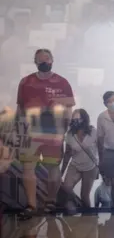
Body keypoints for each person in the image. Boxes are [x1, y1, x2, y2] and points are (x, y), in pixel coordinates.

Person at [16, 49, 75, 219]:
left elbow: (70, 105)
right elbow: (20, 107)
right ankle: (31, 205)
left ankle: (50, 201)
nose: (44, 61)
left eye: (47, 59)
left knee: (53, 167)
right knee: (28, 167)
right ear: (35, 61)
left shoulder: (62, 82)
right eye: (40, 59)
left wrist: (65, 128)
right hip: (30, 131)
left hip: (53, 132)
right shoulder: (26, 82)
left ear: (52, 60)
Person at [60, 109, 99, 212]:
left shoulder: (93, 131)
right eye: (73, 119)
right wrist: (61, 172)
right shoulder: (69, 135)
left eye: (77, 119)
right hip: (75, 165)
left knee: (84, 195)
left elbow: (99, 148)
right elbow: (67, 154)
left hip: (90, 166)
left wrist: (101, 167)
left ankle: (89, 217)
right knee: (66, 188)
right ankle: (74, 206)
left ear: (84, 119)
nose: (75, 121)